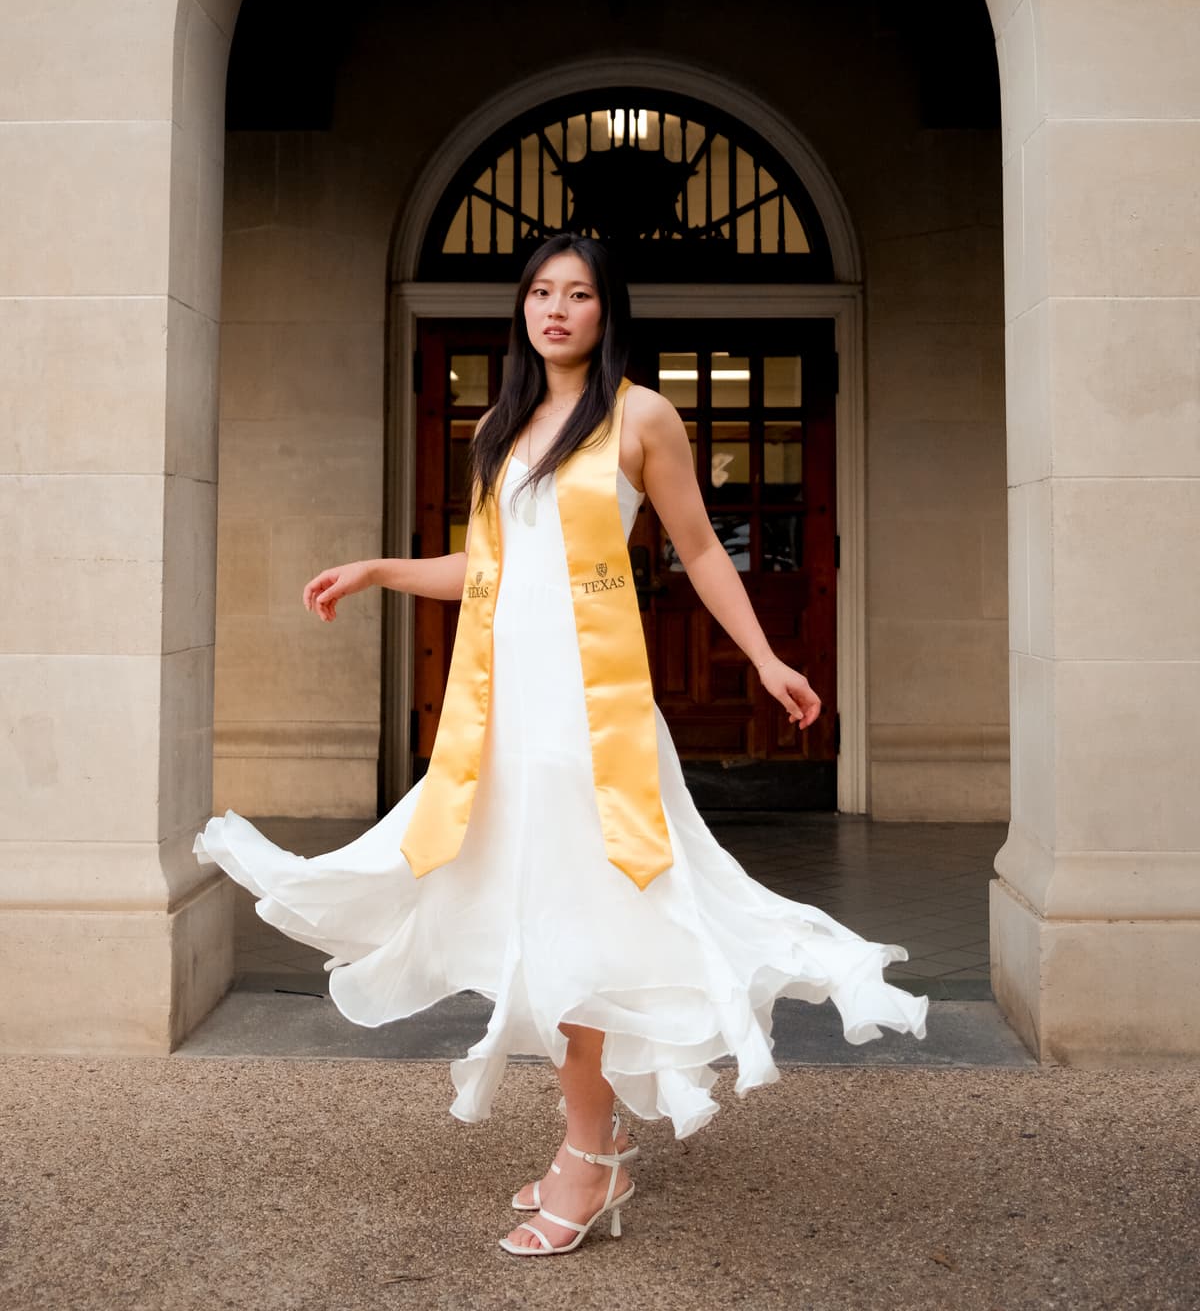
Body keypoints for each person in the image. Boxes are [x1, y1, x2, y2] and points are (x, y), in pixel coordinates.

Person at [193, 233, 928, 1258]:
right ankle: (596, 1135)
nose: (556, 309)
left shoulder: (640, 417)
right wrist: (376, 570)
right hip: (504, 725)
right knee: (522, 924)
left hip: (595, 729)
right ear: (523, 310)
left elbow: (705, 548)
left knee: (576, 927)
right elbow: (491, 569)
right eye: (540, 291)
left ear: (604, 310)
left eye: (577, 294)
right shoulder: (502, 423)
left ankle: (590, 1155)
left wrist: (764, 658)